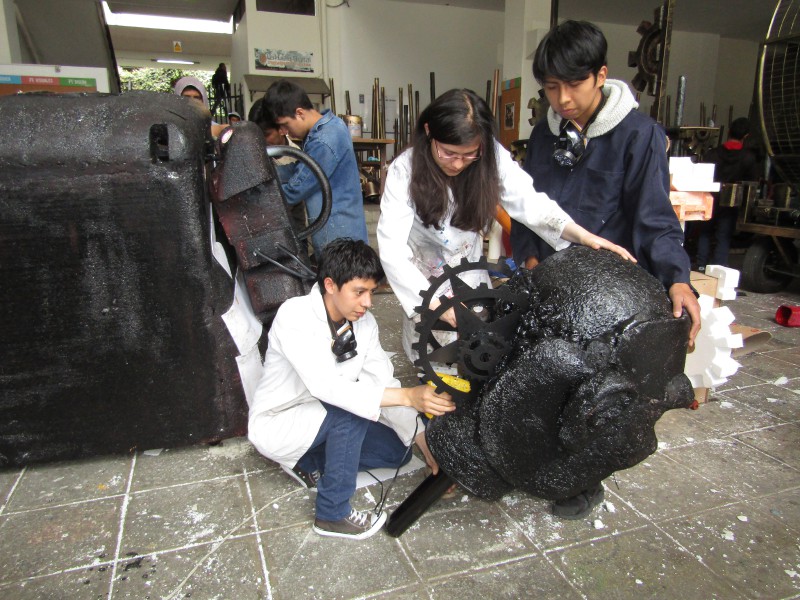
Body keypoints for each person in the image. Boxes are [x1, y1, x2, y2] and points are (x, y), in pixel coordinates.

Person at [508, 19, 701, 520]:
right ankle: (536, 461)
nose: (562, 98)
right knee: (544, 376)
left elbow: (656, 219)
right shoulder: (542, 134)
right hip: (552, 284)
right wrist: (528, 255)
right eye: (551, 87)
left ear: (601, 75)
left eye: (573, 84)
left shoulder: (638, 136)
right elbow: (528, 206)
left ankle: (582, 479)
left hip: (607, 298)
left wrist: (679, 278)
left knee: (596, 394)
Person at [377, 88, 635, 362]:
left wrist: (581, 235)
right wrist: (432, 302)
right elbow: (391, 248)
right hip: (420, 280)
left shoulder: (490, 156)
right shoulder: (405, 170)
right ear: (429, 131)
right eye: (448, 153)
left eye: (468, 155)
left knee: (476, 358)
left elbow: (529, 202)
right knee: (432, 364)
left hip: (470, 277)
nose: (458, 164)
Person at [247, 238, 455, 540]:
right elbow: (328, 388)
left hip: (321, 419)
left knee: (399, 451)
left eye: (371, 292)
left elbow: (384, 381)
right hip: (282, 421)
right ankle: (332, 513)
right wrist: (411, 396)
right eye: (359, 292)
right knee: (353, 411)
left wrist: (425, 444)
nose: (368, 302)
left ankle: (308, 463)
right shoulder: (295, 316)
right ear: (330, 285)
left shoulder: (365, 324)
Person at [262, 80, 368, 260]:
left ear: (300, 113)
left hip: (340, 241)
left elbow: (296, 189)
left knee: (342, 286)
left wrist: (258, 196)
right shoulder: (324, 130)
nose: (285, 132)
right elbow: (302, 170)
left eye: (286, 124)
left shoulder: (326, 140)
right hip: (334, 236)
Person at [695, 117, 759, 269]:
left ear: (729, 131)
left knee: (704, 233)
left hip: (709, 197)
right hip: (731, 200)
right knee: (723, 237)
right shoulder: (748, 158)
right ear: (746, 136)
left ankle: (700, 266)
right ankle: (718, 271)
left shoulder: (712, 154)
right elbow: (752, 182)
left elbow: (702, 175)